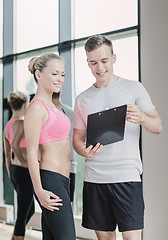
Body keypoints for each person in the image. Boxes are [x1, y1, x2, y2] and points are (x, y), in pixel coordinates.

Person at [73, 35, 162, 240]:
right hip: (95, 178)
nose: (100, 67)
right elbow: (77, 139)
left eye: (104, 61)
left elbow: (157, 126)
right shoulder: (83, 98)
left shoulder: (134, 88)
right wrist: (82, 150)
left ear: (114, 57)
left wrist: (141, 117)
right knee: (105, 238)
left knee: (132, 237)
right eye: (93, 62)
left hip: (127, 177)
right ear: (88, 63)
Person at [24, 53, 76, 240]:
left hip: (63, 180)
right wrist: (38, 190)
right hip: (50, 181)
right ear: (39, 74)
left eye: (62, 74)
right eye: (55, 74)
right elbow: (30, 153)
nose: (60, 79)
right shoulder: (37, 108)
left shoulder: (55, 107)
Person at [3, 91, 35, 240]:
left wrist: (10, 172)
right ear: (25, 105)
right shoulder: (20, 123)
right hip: (23, 171)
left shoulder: (7, 127)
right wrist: (23, 161)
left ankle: (14, 236)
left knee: (29, 209)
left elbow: (7, 155)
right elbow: (15, 145)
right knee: (23, 212)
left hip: (15, 171)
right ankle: (17, 236)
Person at [52, 91, 77, 203]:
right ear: (61, 94)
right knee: (67, 205)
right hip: (71, 166)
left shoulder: (47, 112)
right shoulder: (72, 113)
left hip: (52, 168)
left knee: (52, 207)